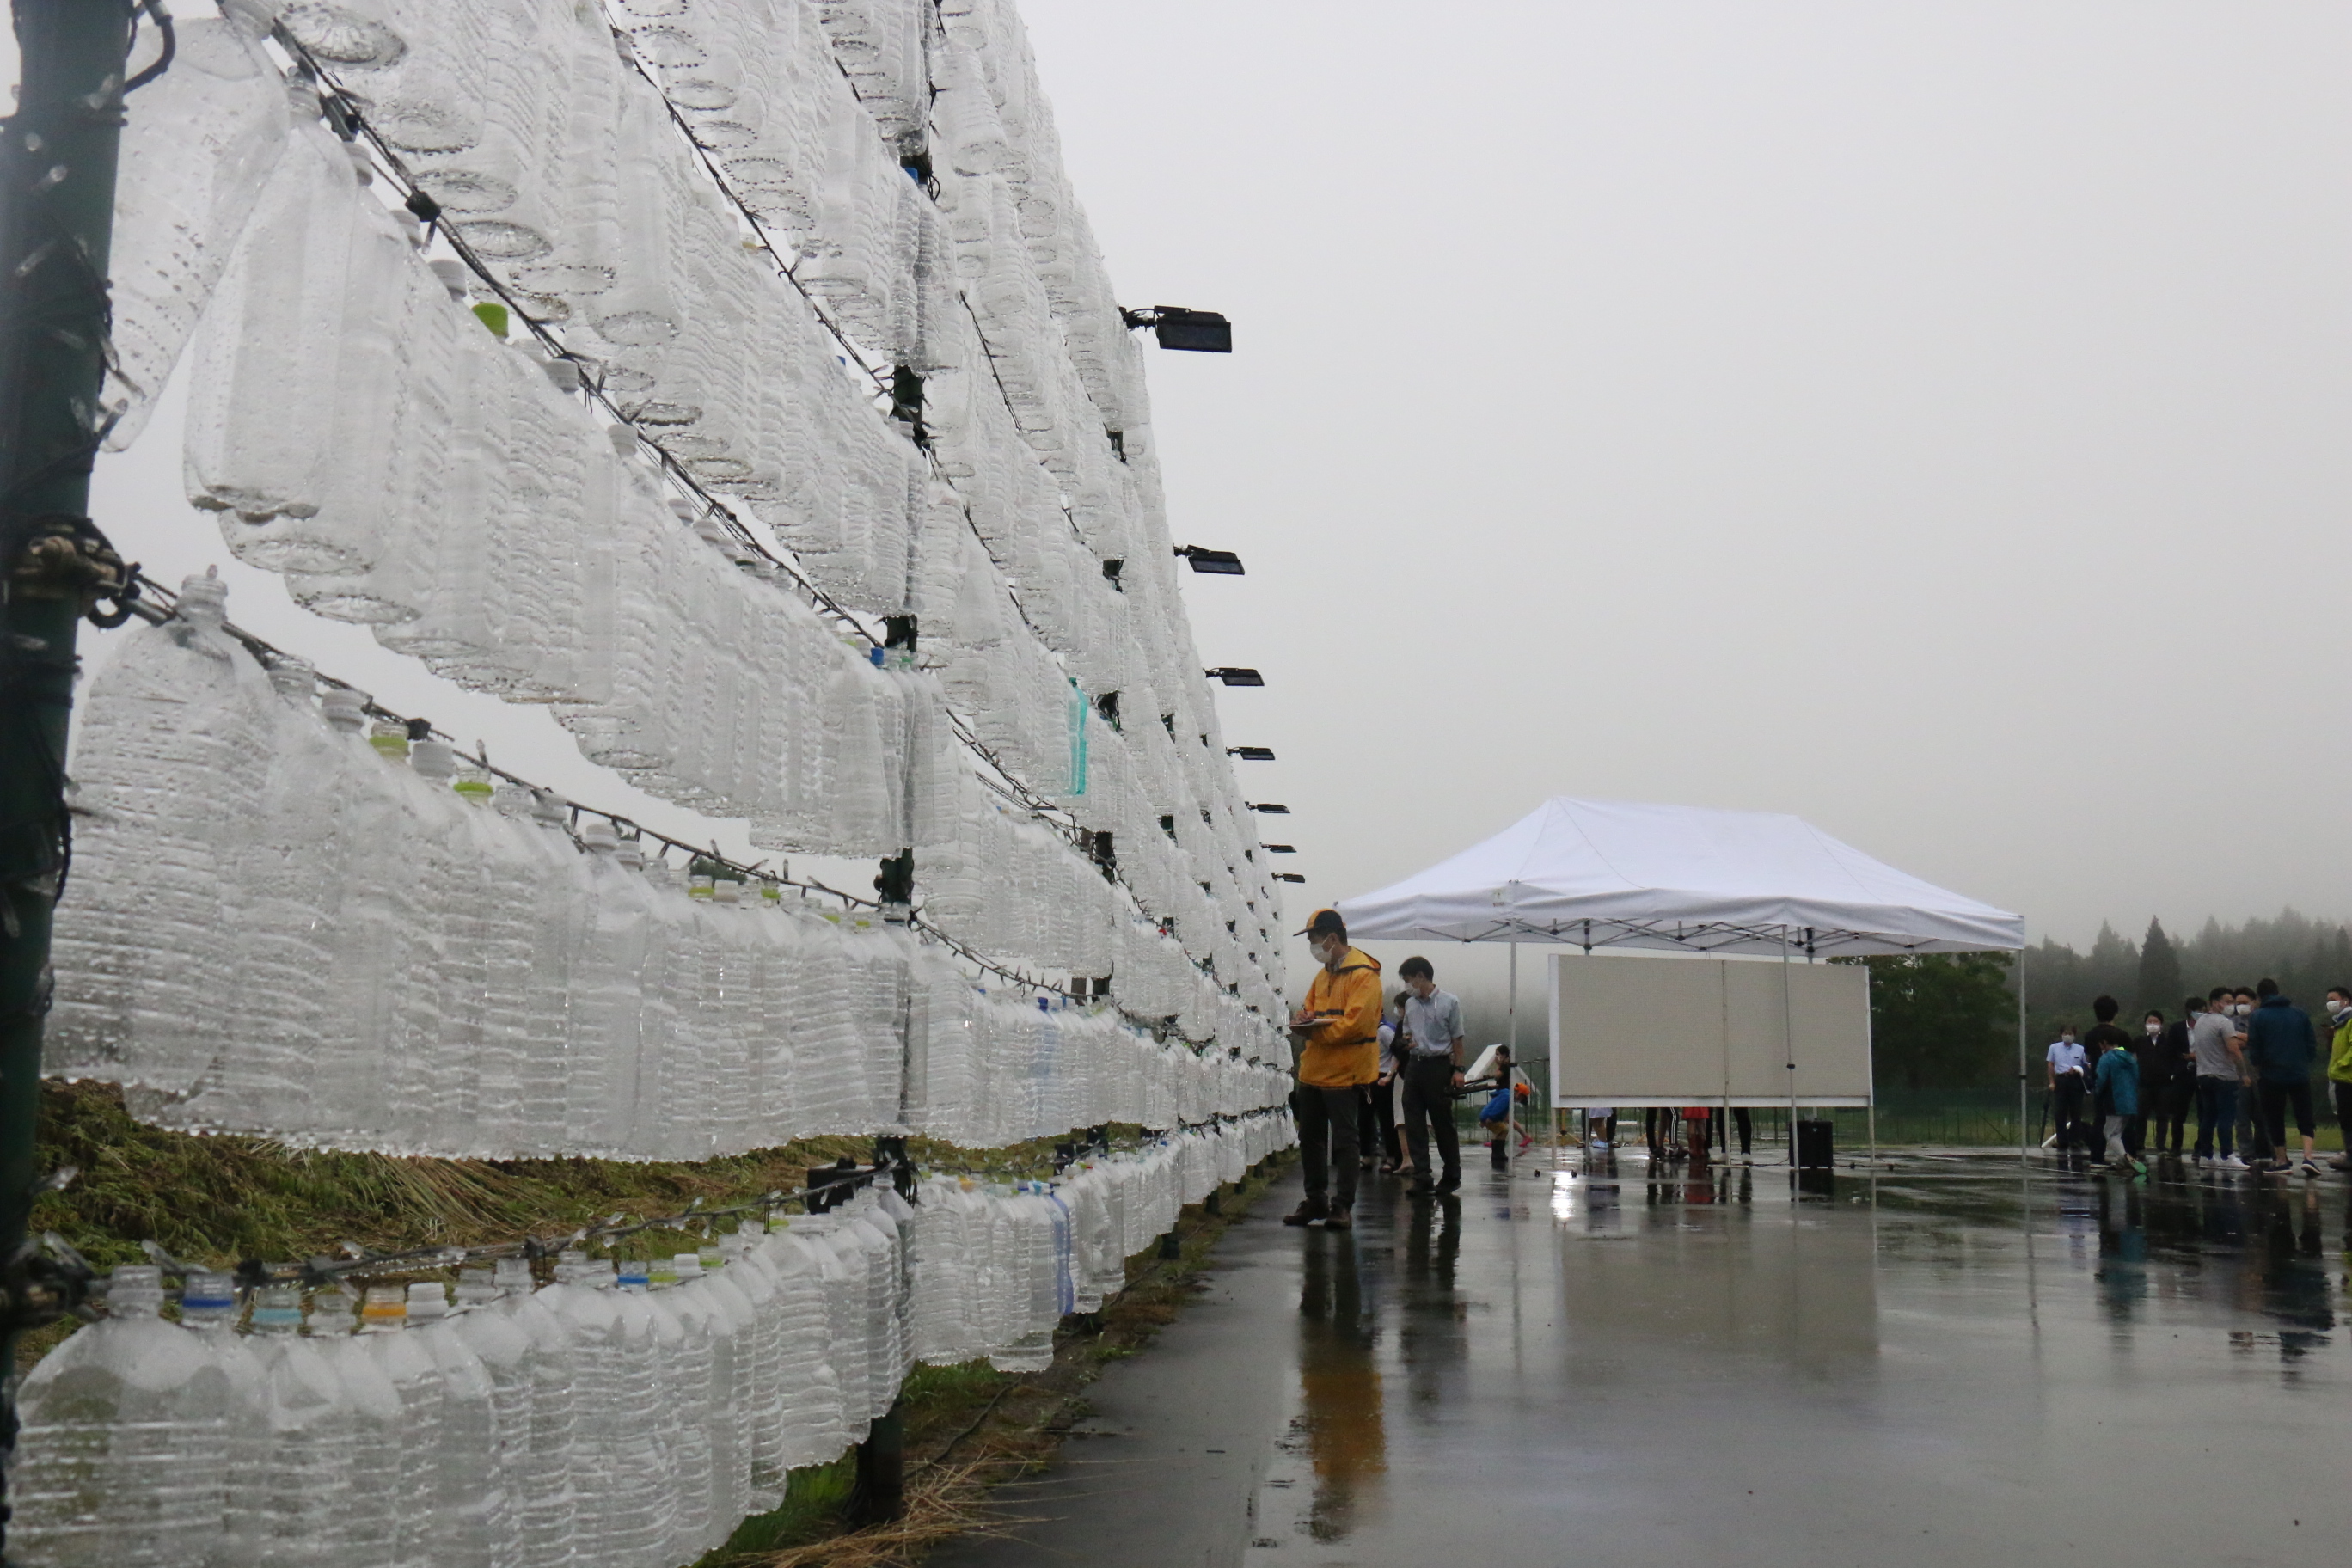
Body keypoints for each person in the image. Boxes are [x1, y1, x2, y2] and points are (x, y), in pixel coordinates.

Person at [1283, 910, 1383, 1230]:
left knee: (1345, 1140)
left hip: (1346, 1073)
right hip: (1313, 1071)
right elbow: (1309, 1008)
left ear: (1332, 938)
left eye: (1314, 939)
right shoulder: (1323, 975)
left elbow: (1357, 1025)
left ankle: (1342, 1207)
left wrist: (1314, 1032)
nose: (1312, 946)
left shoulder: (1364, 976)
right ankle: (1315, 1201)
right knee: (1310, 1138)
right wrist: (1303, 1020)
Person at [1396, 957, 1465, 1197]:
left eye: (1408, 980)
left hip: (1438, 1066)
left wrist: (1458, 1070)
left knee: (1441, 1122)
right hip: (1415, 1065)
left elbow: (1457, 1039)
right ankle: (1422, 1176)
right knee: (1413, 1122)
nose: (1407, 985)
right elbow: (1406, 1031)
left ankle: (1451, 1175)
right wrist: (1405, 1042)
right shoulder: (1412, 1005)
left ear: (1421, 976)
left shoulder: (1449, 1002)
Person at [2242, 977, 2322, 1178]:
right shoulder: (2299, 1014)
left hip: (2271, 1075)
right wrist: (2304, 1061)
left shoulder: (2258, 1016)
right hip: (2299, 1072)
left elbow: (2255, 1047)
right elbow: (2311, 1044)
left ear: (2260, 997)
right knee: (2304, 1115)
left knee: (2274, 1117)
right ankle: (2309, 1157)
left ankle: (2282, 1160)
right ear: (2278, 992)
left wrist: (2258, 1065)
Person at [2189, 989, 2246, 1167]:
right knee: (2226, 1117)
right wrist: (2243, 1072)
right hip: (2224, 1076)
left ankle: (2206, 1155)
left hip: (2204, 1075)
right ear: (2214, 1002)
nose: (2231, 1005)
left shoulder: (2199, 1023)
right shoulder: (2224, 1023)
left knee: (2208, 1117)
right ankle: (2227, 1155)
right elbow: (2233, 1049)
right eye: (2227, 1001)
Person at [2141, 1001, 2198, 1156]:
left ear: (2161, 1024)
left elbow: (2173, 1056)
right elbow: (2125, 1051)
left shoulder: (2166, 1041)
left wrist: (2171, 1073)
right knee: (2141, 1116)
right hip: (2144, 1084)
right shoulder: (2139, 1041)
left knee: (2163, 1116)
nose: (2152, 1024)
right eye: (2149, 1021)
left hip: (2164, 1084)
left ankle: (2161, 1145)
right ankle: (2138, 1144)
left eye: (2156, 1021)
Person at [2080, 995, 2134, 1161]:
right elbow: (2130, 1058)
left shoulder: (2090, 1036)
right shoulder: (2123, 1036)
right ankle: (2129, 1156)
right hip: (2121, 1084)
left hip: (2100, 1082)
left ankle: (2097, 1158)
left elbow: (2088, 1059)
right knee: (2125, 1124)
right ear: (2115, 1013)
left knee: (2100, 1121)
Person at [2092, 1033, 2144, 1176]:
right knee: (2119, 1132)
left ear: (2104, 1043)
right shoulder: (2130, 1058)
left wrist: (2096, 1091)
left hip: (2114, 1099)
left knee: (2109, 1133)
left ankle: (2126, 1158)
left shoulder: (2107, 1058)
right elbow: (2137, 1077)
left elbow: (2101, 1079)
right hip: (2131, 1101)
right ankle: (2121, 1163)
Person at [2047, 1026, 2089, 1155]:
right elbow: (2050, 1064)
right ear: (2061, 1034)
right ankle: (2062, 1140)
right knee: (2060, 1112)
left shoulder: (2080, 1049)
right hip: (2061, 1079)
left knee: (2076, 1112)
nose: (2068, 1035)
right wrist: (2052, 1082)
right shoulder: (2054, 1047)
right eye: (2065, 1033)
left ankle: (2075, 1140)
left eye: (2070, 1033)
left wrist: (2078, 1069)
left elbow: (2086, 1065)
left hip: (2075, 1080)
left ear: (2074, 1035)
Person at [2324, 985, 2352, 1173]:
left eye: (2333, 998)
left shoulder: (2349, 1021)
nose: (2330, 1003)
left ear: (2345, 1001)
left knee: (2348, 1118)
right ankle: (2348, 1152)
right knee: (2344, 1117)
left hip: (2347, 1077)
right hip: (2340, 1077)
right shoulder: (2340, 1023)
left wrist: (2342, 1064)